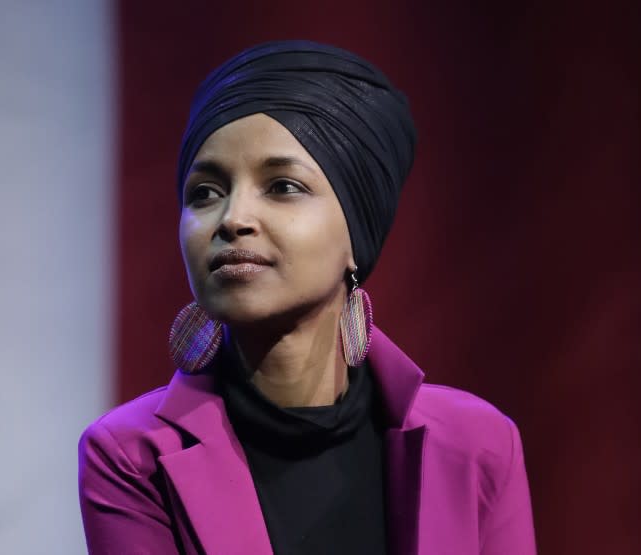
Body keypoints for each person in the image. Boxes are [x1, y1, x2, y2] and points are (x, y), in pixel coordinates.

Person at [78, 40, 536, 555]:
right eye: (205, 192)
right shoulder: (129, 457)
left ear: (356, 233)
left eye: (282, 186)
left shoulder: (479, 445)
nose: (232, 219)